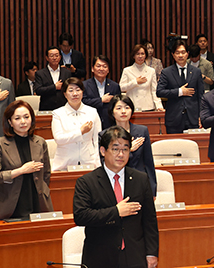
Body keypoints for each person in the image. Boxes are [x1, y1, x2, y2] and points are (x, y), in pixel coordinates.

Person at [73, 126, 159, 268]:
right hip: (100, 257)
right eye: (115, 149)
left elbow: (149, 221)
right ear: (103, 151)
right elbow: (81, 216)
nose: (121, 154)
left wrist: (151, 254)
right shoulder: (87, 182)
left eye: (125, 149)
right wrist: (116, 212)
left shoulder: (141, 179)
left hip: (134, 256)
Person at [0, 100, 53, 220]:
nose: (23, 122)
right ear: (10, 122)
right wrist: (21, 170)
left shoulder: (40, 142)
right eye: (17, 118)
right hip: (11, 206)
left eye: (26, 117)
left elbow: (46, 174)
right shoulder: (0, 145)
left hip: (38, 202)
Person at [102, 95, 157, 196]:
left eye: (127, 107)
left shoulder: (142, 131)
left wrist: (152, 189)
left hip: (139, 182)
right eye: (119, 108)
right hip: (116, 181)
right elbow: (105, 163)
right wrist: (129, 150)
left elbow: (148, 162)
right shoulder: (105, 135)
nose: (123, 111)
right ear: (112, 112)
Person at [51, 77, 102, 171]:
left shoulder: (92, 111)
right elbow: (59, 139)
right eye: (70, 90)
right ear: (65, 94)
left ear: (82, 92)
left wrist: (98, 163)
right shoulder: (58, 113)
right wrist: (80, 132)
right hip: (65, 163)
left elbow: (97, 140)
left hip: (89, 161)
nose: (75, 94)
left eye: (78, 90)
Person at [157, 40, 205, 134]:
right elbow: (159, 92)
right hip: (174, 118)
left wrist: (201, 115)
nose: (180, 55)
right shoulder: (167, 72)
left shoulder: (196, 72)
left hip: (192, 118)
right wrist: (179, 92)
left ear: (187, 54)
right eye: (177, 53)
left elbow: (201, 96)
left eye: (183, 52)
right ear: (173, 55)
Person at [120, 44, 164, 112]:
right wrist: (135, 82)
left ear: (145, 55)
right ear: (133, 56)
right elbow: (121, 87)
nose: (140, 56)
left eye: (142, 54)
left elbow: (154, 91)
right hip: (132, 106)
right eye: (137, 54)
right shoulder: (127, 70)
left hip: (148, 107)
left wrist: (159, 106)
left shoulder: (151, 71)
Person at [82, 55, 121, 129]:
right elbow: (83, 102)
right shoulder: (84, 85)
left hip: (110, 124)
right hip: (89, 123)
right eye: (98, 66)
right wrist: (101, 100)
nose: (101, 69)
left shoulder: (115, 86)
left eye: (104, 66)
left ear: (108, 70)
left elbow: (118, 105)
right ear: (92, 69)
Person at [34, 46, 72, 111]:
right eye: (51, 56)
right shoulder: (40, 73)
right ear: (47, 58)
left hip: (64, 108)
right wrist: (54, 87)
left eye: (57, 56)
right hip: (46, 108)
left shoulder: (67, 72)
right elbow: (38, 90)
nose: (54, 58)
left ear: (60, 57)